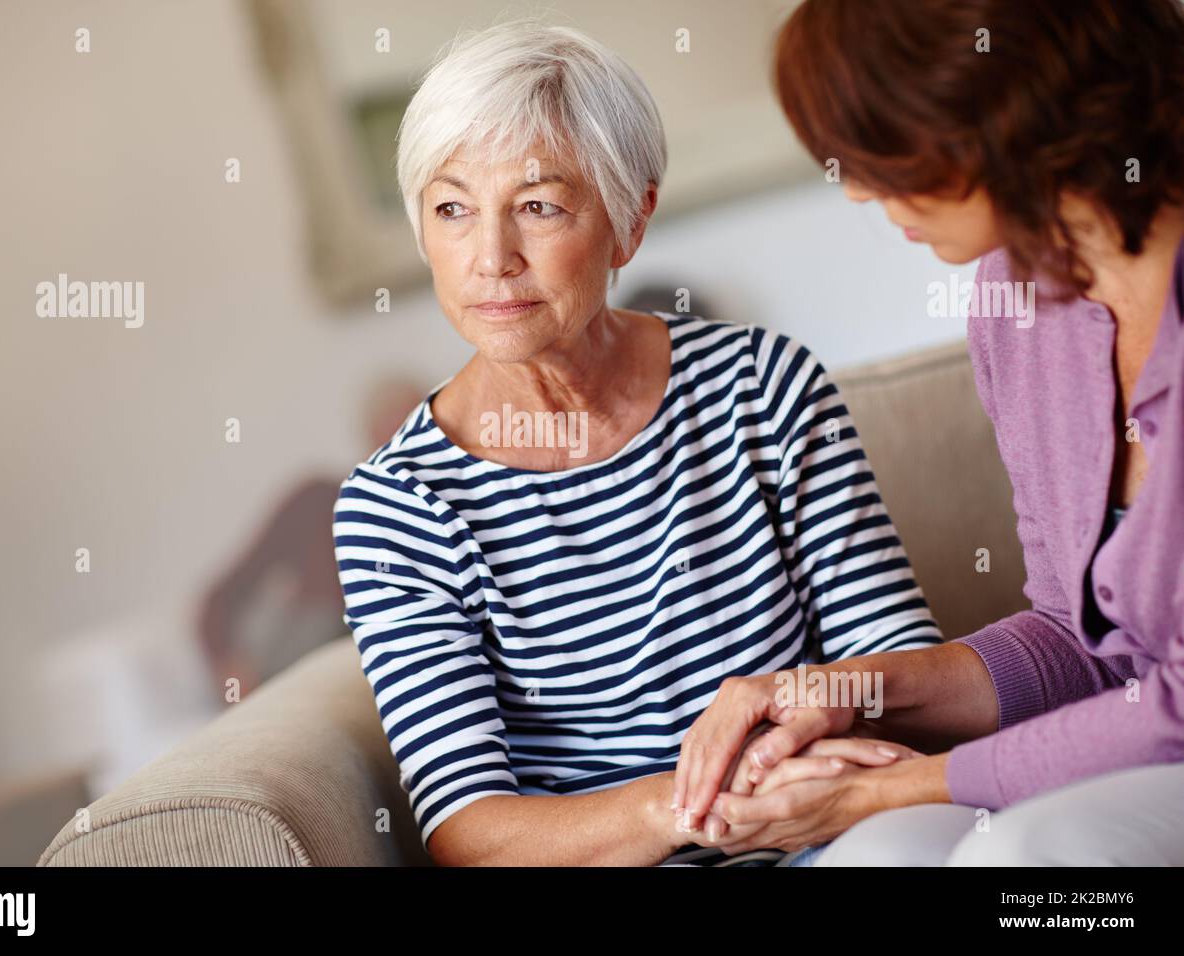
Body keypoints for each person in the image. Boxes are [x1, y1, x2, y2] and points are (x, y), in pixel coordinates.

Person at [332, 19, 939, 866]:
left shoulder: (764, 388)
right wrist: (700, 805)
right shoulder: (399, 507)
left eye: (538, 206)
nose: (491, 258)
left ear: (631, 219)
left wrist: (820, 743)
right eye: (452, 210)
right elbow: (473, 835)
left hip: (835, 836)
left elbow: (904, 674)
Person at [672, 0, 1184, 865]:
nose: (859, 189)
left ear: (1004, 106)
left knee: (1022, 859)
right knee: (881, 854)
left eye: (882, 149)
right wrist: (851, 689)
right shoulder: (1018, 303)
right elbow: (1079, 637)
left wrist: (883, 786)